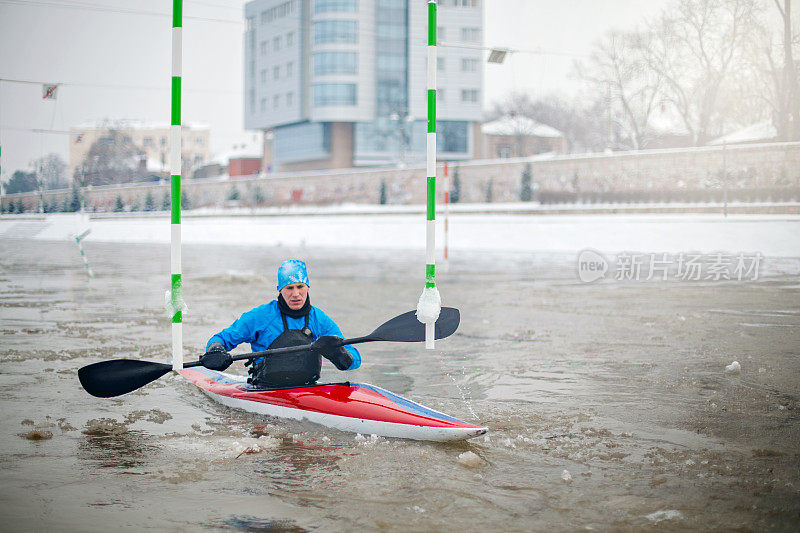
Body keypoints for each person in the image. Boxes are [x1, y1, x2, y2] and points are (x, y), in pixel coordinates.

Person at [200, 259, 360, 388]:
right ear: (280, 289)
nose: (295, 294)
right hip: (264, 389)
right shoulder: (261, 316)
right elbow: (221, 339)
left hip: (307, 388)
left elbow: (355, 360)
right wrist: (216, 350)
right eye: (289, 288)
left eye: (300, 287)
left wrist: (339, 354)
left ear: (307, 287)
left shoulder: (320, 319)